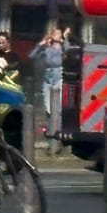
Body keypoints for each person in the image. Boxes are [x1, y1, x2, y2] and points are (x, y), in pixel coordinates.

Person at [30, 23, 71, 154]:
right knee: (49, 108)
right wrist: (41, 44)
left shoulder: (63, 48)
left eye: (58, 33)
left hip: (59, 75)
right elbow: (32, 56)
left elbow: (68, 52)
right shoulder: (47, 49)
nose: (57, 36)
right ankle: (51, 136)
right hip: (47, 77)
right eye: (55, 33)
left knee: (58, 109)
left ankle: (59, 140)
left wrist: (65, 38)